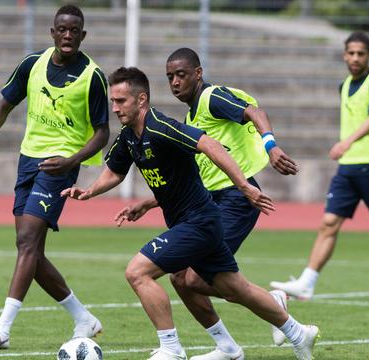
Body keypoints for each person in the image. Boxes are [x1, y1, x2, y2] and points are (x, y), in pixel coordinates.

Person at [62, 66, 319, 360]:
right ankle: (291, 335)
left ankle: (171, 349)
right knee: (226, 287)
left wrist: (245, 186)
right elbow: (115, 171)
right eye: (113, 101)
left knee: (138, 272)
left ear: (141, 99)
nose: (115, 108)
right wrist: (90, 191)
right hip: (194, 222)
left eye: (121, 101)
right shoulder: (129, 137)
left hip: (200, 222)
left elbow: (209, 144)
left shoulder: (161, 126)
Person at [115, 47, 299, 360]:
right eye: (170, 77)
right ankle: (229, 346)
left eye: (181, 75)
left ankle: (266, 308)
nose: (174, 82)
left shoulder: (211, 98)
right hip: (212, 200)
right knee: (182, 278)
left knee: (193, 278)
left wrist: (271, 146)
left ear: (198, 74)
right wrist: (150, 202)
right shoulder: (191, 116)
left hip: (235, 198)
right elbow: (196, 176)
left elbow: (255, 112)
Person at [0, 4, 109, 349]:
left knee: (27, 242)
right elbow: (4, 105)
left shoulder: (93, 76)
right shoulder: (33, 64)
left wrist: (72, 160)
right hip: (28, 161)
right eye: (63, 30)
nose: (68, 36)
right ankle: (83, 319)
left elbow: (103, 133)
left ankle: (3, 328)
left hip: (60, 167)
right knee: (31, 251)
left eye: (75, 31)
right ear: (53, 33)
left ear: (83, 35)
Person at [270, 31, 369, 305]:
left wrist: (346, 142)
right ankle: (307, 283)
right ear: (344, 54)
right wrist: (346, 149)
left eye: (360, 53)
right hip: (348, 168)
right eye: (351, 53)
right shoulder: (346, 84)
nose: (355, 58)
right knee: (328, 223)